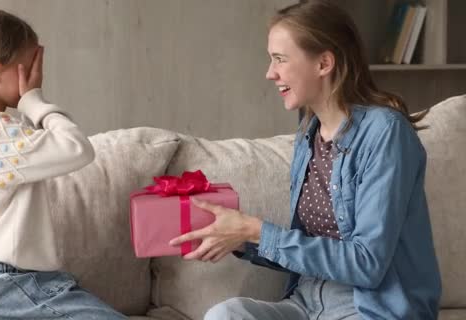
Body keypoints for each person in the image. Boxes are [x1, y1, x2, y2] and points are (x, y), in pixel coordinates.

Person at [169, 1, 441, 319]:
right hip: (308, 302)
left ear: (324, 63)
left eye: (280, 59)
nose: (270, 73)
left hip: (368, 308)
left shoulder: (386, 133)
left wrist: (256, 230)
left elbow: (367, 263)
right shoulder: (308, 136)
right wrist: (241, 239)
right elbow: (307, 247)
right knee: (226, 314)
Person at [0, 8, 127, 319]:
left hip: (2, 281)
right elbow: (77, 148)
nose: (37, 75)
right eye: (30, 67)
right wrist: (34, 99)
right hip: (9, 281)